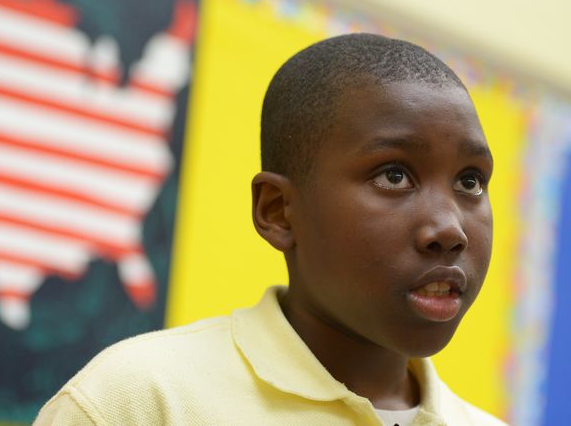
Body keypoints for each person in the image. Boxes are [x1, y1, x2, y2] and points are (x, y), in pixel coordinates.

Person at [33, 34, 507, 425]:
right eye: (394, 175)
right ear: (279, 211)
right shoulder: (139, 400)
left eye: (470, 181)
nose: (449, 229)